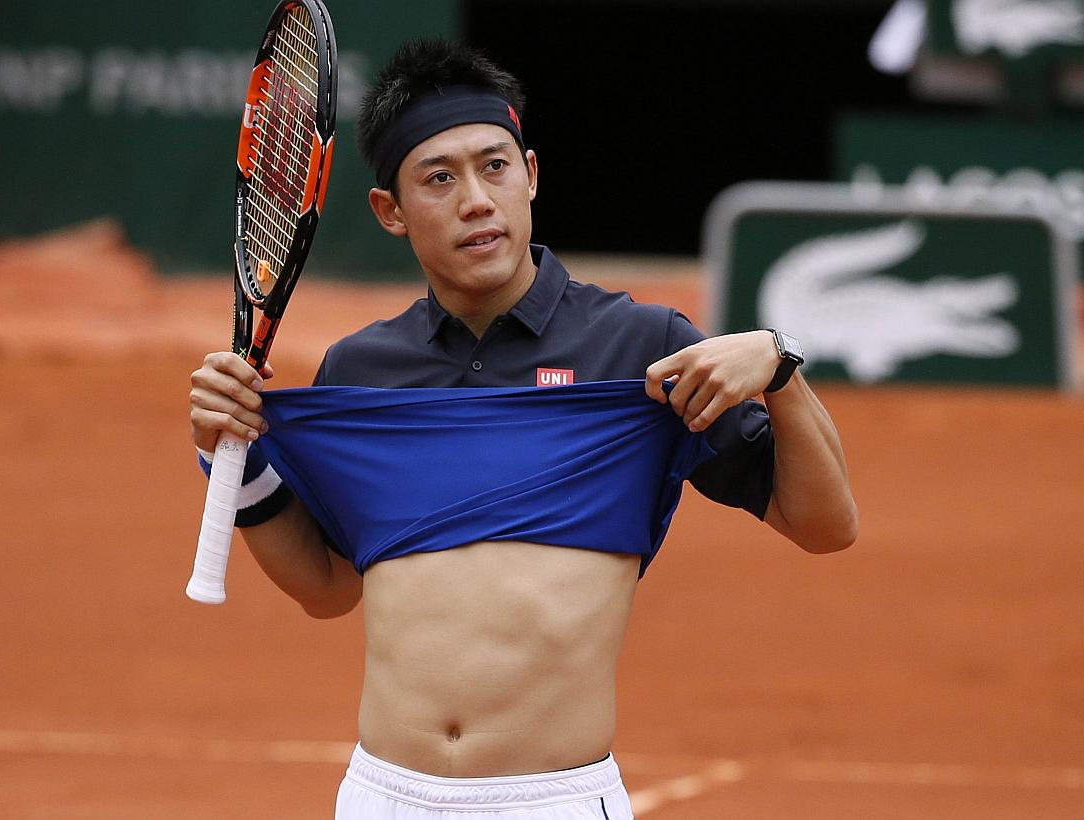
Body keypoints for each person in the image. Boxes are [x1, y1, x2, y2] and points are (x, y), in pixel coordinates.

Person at [188, 38, 857, 819]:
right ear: (390, 212)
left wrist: (779, 367)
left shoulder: (639, 348)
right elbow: (329, 587)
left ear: (530, 175)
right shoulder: (362, 369)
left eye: (494, 166)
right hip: (383, 796)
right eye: (439, 178)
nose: (476, 199)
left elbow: (823, 524)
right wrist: (241, 456)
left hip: (553, 801)